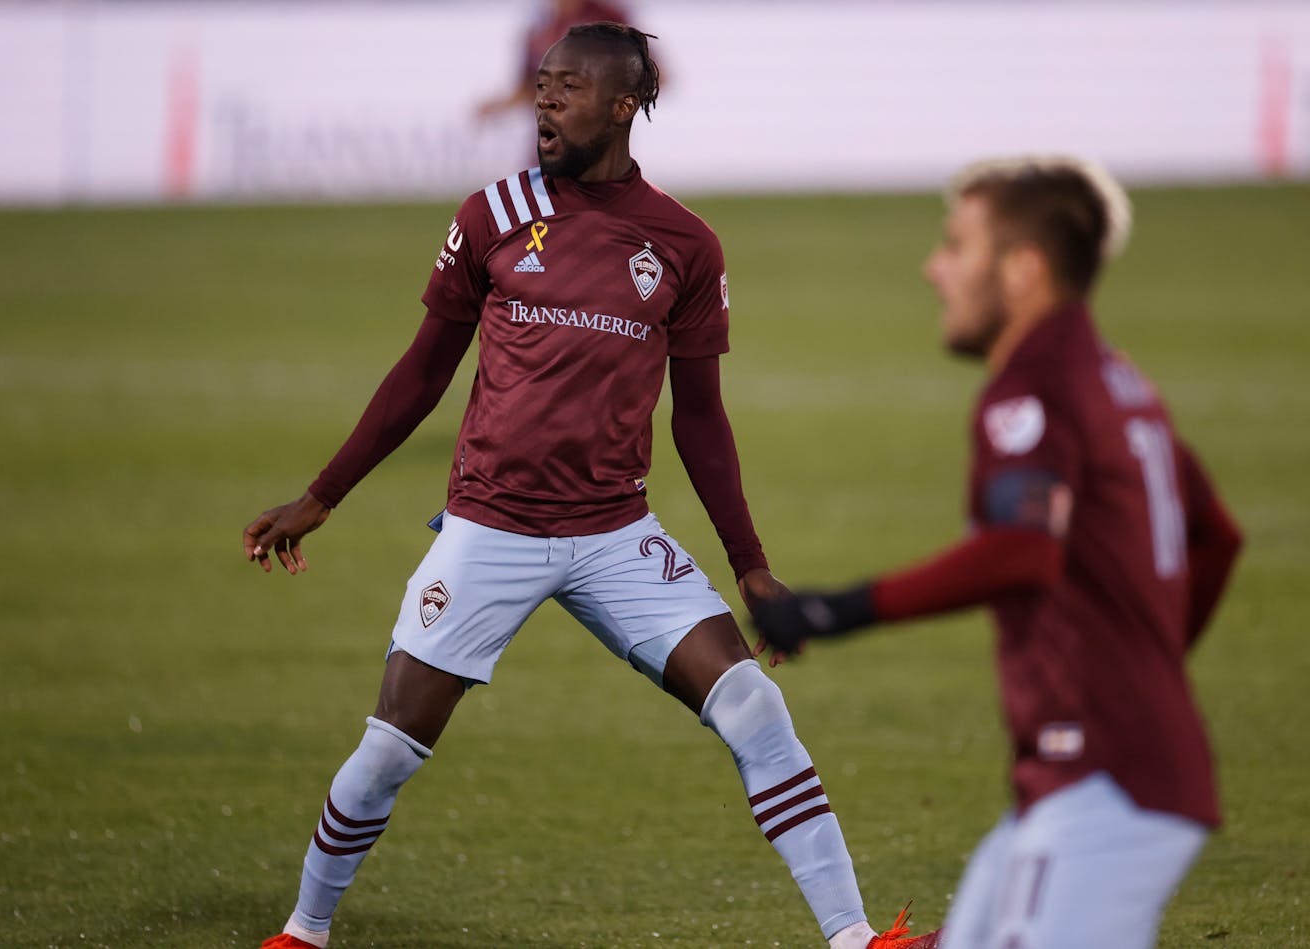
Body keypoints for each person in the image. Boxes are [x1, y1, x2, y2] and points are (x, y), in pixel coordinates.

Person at [244, 22, 940, 949]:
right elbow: (421, 373)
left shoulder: (685, 245)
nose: (544, 100)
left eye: (567, 87)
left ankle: (856, 940)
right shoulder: (491, 215)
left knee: (753, 704)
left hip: (616, 534)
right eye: (541, 84)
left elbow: (700, 418)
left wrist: (754, 567)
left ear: (623, 106)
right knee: (387, 752)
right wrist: (322, 495)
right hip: (490, 527)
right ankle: (303, 931)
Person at [751, 156, 1243, 949]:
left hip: (1104, 785)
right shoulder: (1115, 380)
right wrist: (1150, 671)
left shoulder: (1034, 388)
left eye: (956, 246)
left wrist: (838, 606)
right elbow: (1217, 536)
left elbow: (1022, 551)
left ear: (1022, 270)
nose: (934, 268)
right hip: (1095, 777)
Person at [475, 0, 635, 120]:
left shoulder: (608, 18)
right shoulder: (539, 28)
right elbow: (527, 89)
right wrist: (499, 107)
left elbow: (650, 73)